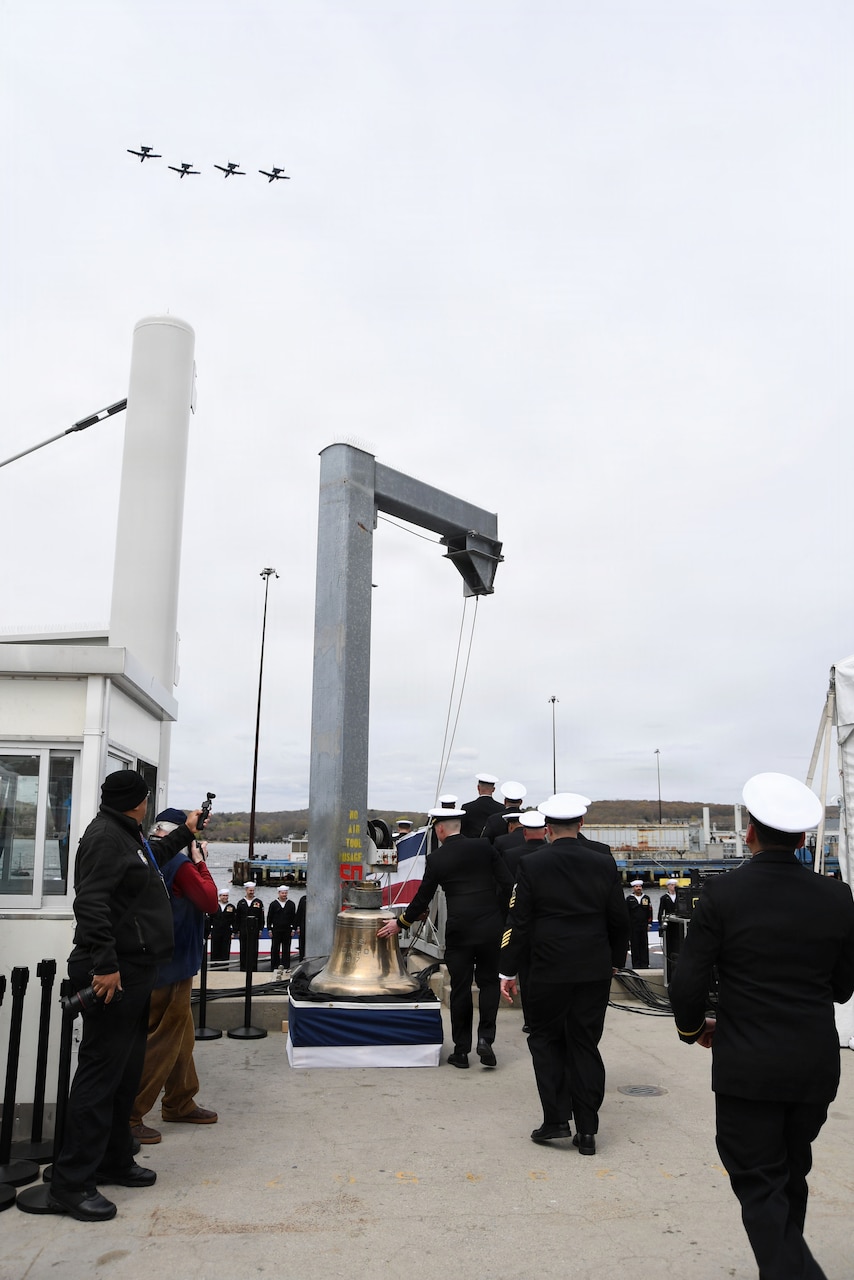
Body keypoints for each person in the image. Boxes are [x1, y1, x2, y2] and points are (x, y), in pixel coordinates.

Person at [669, 772, 854, 1280]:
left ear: (748, 832)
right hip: (814, 1064)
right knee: (790, 1175)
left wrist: (692, 1029)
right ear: (801, 839)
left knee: (757, 1180)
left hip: (747, 1065)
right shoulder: (837, 898)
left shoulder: (723, 896)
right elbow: (842, 987)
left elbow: (688, 983)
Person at [47, 770, 202, 1222]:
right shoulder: (103, 839)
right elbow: (90, 903)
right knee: (99, 1076)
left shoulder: (126, 834)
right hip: (114, 972)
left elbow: (151, 857)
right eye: (147, 797)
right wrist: (105, 967)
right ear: (137, 801)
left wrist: (185, 833)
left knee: (124, 1072)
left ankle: (114, 1159)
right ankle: (70, 1183)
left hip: (137, 971)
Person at [500, 793, 629, 1152]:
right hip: (593, 967)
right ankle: (587, 1129)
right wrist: (615, 960)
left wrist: (507, 969)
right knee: (585, 1042)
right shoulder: (603, 861)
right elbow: (619, 919)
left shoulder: (532, 864)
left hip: (547, 968)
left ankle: (555, 1119)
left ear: (548, 829)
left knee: (545, 1041)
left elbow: (520, 921)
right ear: (582, 825)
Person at [377, 805, 513, 1068]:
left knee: (460, 989)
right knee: (487, 984)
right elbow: (508, 884)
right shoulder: (485, 847)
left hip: (460, 931)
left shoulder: (437, 859)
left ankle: (461, 1052)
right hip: (490, 928)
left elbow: (422, 899)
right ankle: (486, 1040)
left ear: (440, 829)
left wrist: (400, 923)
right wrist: (504, 918)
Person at [130, 808, 219, 1144]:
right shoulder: (178, 863)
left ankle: (180, 1100)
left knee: (182, 1037)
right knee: (164, 1040)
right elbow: (209, 900)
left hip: (159, 961)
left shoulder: (147, 854)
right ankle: (131, 1113)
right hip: (175, 962)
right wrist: (199, 861)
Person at [460, 772, 503, 838]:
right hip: (494, 846)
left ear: (478, 788)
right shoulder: (501, 808)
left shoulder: (467, 807)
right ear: (493, 790)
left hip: (472, 845)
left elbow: (462, 830)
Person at [235, 880, 265, 969]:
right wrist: (237, 930)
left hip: (254, 929)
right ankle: (243, 967)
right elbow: (237, 918)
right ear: (246, 890)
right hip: (243, 929)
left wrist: (260, 929)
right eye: (250, 890)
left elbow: (261, 917)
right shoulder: (241, 903)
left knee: (254, 949)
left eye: (253, 890)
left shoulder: (258, 902)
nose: (251, 892)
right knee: (243, 948)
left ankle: (253, 967)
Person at [267, 885, 296, 971]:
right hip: (276, 930)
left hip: (287, 930)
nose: (284, 895)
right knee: (275, 948)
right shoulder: (273, 904)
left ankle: (286, 966)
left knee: (286, 948)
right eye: (282, 893)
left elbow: (294, 917)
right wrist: (269, 929)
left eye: (285, 893)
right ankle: (274, 966)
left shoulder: (291, 904)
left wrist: (293, 928)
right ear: (279, 893)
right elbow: (269, 917)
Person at [626, 878, 652, 968]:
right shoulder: (629, 899)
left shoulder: (646, 898)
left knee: (644, 945)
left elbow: (649, 911)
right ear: (633, 888)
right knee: (635, 945)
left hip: (643, 925)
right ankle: (636, 964)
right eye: (636, 887)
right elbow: (626, 913)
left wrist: (649, 923)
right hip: (633, 926)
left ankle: (645, 964)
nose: (638, 888)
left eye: (640, 886)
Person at [209, 888, 236, 962]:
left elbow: (234, 920)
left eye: (227, 896)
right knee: (215, 949)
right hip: (216, 931)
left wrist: (233, 932)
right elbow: (210, 919)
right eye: (223, 895)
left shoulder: (231, 907)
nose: (225, 897)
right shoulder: (214, 906)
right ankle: (214, 966)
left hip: (226, 931)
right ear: (220, 896)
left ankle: (225, 967)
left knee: (225, 949)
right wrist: (209, 932)